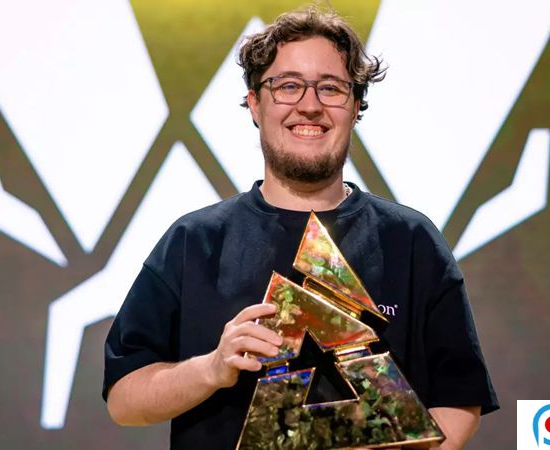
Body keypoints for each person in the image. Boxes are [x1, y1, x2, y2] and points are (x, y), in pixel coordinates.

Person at [103, 6, 498, 450]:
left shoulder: (411, 241)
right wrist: (211, 369)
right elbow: (124, 399)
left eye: (331, 88)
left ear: (356, 107)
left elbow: (458, 400)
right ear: (255, 103)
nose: (310, 106)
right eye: (288, 86)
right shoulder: (193, 242)